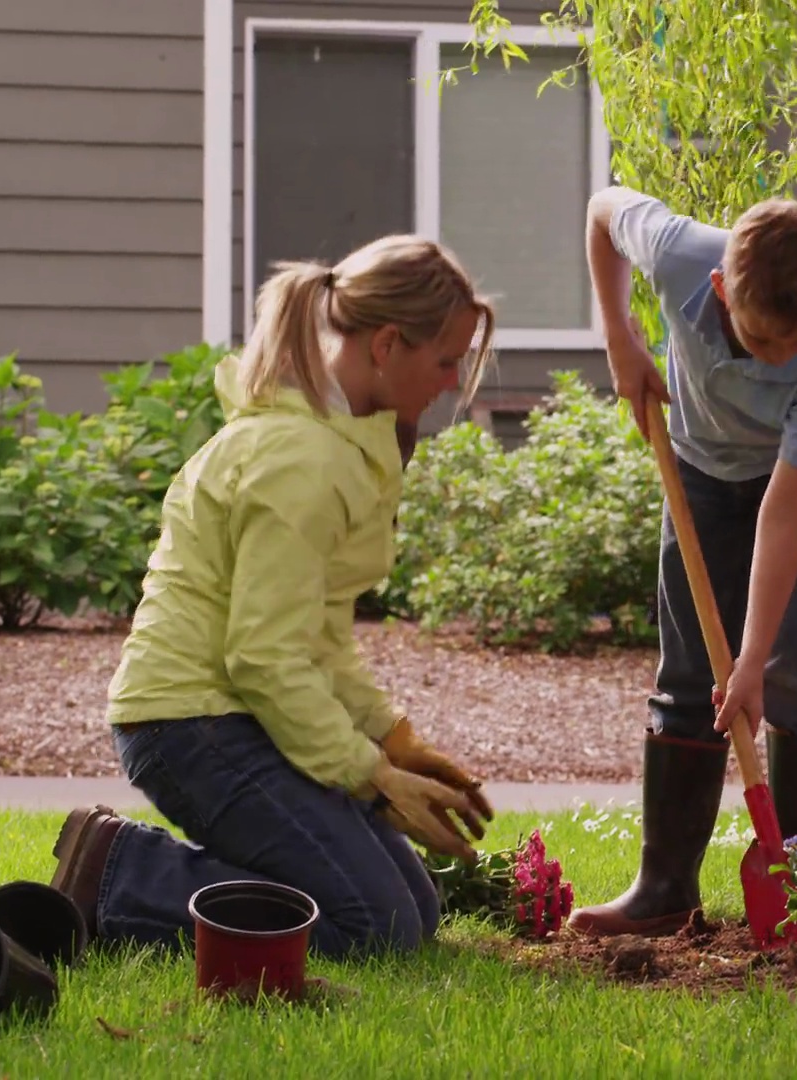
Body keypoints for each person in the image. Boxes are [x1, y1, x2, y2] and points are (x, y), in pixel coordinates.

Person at [49, 235, 498, 959]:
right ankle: (117, 876)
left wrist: (392, 737)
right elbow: (262, 657)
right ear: (387, 344)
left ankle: (163, 880)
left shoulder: (337, 441)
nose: (451, 381)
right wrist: (370, 778)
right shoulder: (301, 462)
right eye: (445, 360)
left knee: (413, 909)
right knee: (374, 930)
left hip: (236, 715)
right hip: (189, 726)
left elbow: (316, 634)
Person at [567, 187, 797, 937]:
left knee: (789, 661)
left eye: (793, 345)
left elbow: (785, 511)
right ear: (720, 289)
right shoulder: (679, 253)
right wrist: (620, 338)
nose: (777, 359)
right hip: (700, 464)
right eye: (762, 341)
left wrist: (754, 658)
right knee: (687, 668)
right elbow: (604, 211)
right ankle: (665, 888)